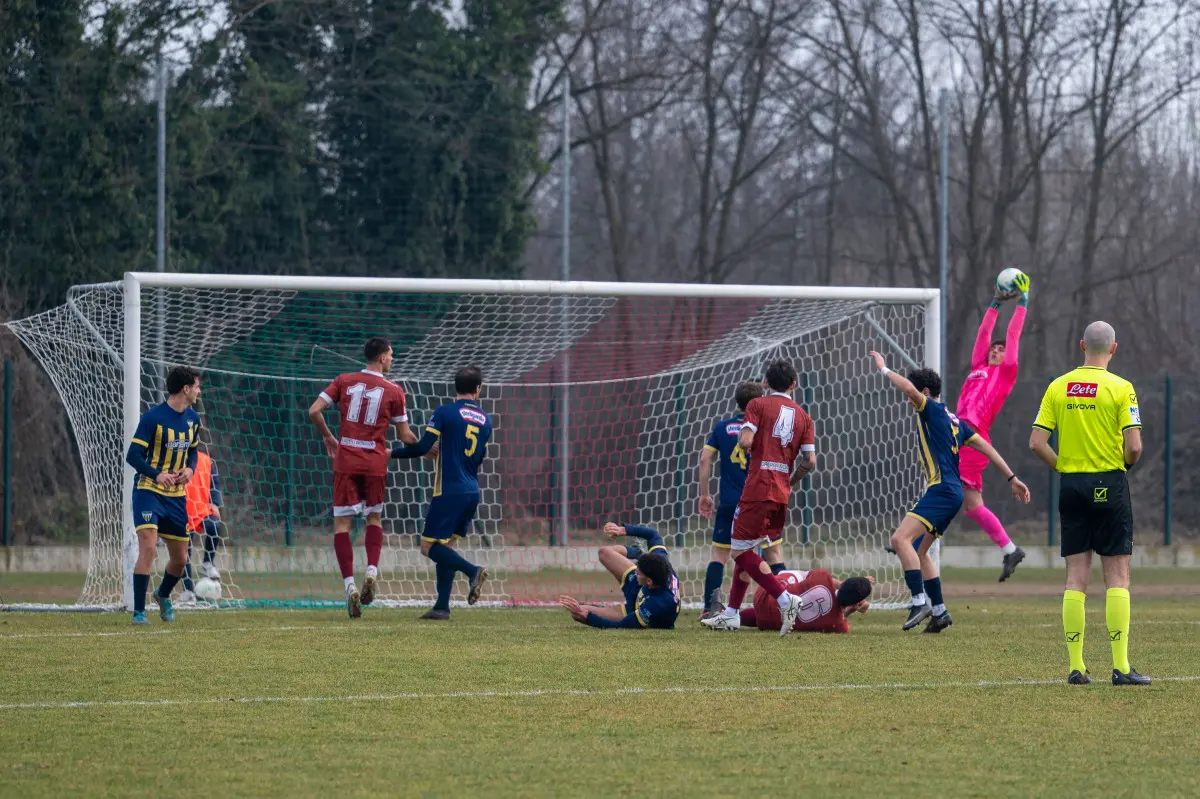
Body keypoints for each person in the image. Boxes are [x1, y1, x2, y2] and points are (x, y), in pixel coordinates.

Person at [869, 352, 1030, 633]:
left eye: (914, 394)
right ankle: (940, 612)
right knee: (921, 551)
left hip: (942, 489)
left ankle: (919, 601)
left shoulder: (930, 408)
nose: (909, 399)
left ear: (926, 393)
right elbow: (989, 449)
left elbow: (908, 389)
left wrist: (883, 369)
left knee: (899, 539)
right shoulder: (956, 421)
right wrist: (1012, 478)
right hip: (954, 492)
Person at [1029, 321, 1149, 686]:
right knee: (1117, 577)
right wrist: (1123, 466)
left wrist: (1064, 467)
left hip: (1072, 485)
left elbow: (1036, 442)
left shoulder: (1058, 385)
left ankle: (1077, 667)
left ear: (1082, 345)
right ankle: (1121, 667)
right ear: (1114, 349)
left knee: (1075, 579)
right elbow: (1135, 446)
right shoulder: (1121, 388)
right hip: (1109, 483)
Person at [701, 359, 815, 636]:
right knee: (750, 551)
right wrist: (791, 479)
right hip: (780, 493)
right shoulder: (804, 417)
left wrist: (751, 438)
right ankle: (731, 614)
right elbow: (810, 461)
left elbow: (745, 442)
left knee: (737, 551)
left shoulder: (757, 406)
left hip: (757, 489)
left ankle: (786, 599)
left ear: (765, 384)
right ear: (794, 385)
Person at [309, 337, 417, 618]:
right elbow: (405, 436)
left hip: (346, 459)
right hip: (374, 462)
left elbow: (314, 411)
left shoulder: (344, 380)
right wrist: (427, 448)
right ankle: (371, 570)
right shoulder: (394, 390)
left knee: (342, 525)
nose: (392, 359)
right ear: (382, 357)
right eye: (391, 355)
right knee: (374, 518)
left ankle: (349, 587)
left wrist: (328, 437)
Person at [391, 366, 491, 620]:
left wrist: (390, 454)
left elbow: (424, 446)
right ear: (478, 389)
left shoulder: (445, 412)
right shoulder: (485, 420)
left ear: (455, 387)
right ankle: (442, 607)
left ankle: (472, 571)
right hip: (472, 490)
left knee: (427, 547)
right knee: (444, 546)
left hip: (448, 490)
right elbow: (480, 457)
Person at [957, 274, 1031, 581]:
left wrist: (1023, 303)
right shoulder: (978, 368)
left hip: (974, 440)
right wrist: (993, 305)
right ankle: (1010, 550)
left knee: (963, 501)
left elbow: (1012, 336)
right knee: (959, 501)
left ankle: (913, 540)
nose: (995, 350)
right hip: (956, 435)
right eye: (993, 348)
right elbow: (983, 334)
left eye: (1000, 350)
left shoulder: (1005, 374)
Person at [699, 381, 789, 618]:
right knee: (773, 553)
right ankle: (783, 606)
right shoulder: (767, 428)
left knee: (721, 556)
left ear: (736, 401)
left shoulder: (722, 428)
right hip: (763, 499)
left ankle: (710, 608)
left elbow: (704, 459)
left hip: (730, 502)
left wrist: (704, 494)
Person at [124, 366, 203, 625]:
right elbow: (133, 456)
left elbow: (192, 450)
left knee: (180, 560)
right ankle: (138, 612)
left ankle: (162, 594)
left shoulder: (193, 419)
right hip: (148, 491)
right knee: (148, 548)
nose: (199, 391)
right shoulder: (153, 418)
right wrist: (156, 474)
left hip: (176, 496)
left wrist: (190, 469)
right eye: (197, 386)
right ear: (185, 389)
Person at [559, 522, 680, 629]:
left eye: (639, 571)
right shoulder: (660, 562)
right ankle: (637, 552)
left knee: (578, 613)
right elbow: (654, 535)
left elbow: (621, 626)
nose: (635, 570)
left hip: (634, 609)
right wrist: (622, 530)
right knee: (604, 552)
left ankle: (597, 608)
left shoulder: (656, 605)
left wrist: (587, 616)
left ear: (649, 581)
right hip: (639, 587)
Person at [728, 569, 873, 633]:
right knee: (782, 614)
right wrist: (852, 609)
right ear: (855, 603)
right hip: (769, 624)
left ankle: (728, 615)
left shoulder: (822, 577)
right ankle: (732, 618)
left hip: (764, 595)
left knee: (798, 576)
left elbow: (837, 585)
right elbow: (840, 617)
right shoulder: (838, 625)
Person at [179, 447, 223, 603]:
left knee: (214, 525)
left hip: (201, 510)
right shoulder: (173, 458)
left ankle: (207, 563)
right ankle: (188, 590)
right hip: (181, 512)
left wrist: (215, 503)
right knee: (184, 554)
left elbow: (214, 484)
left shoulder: (205, 460)